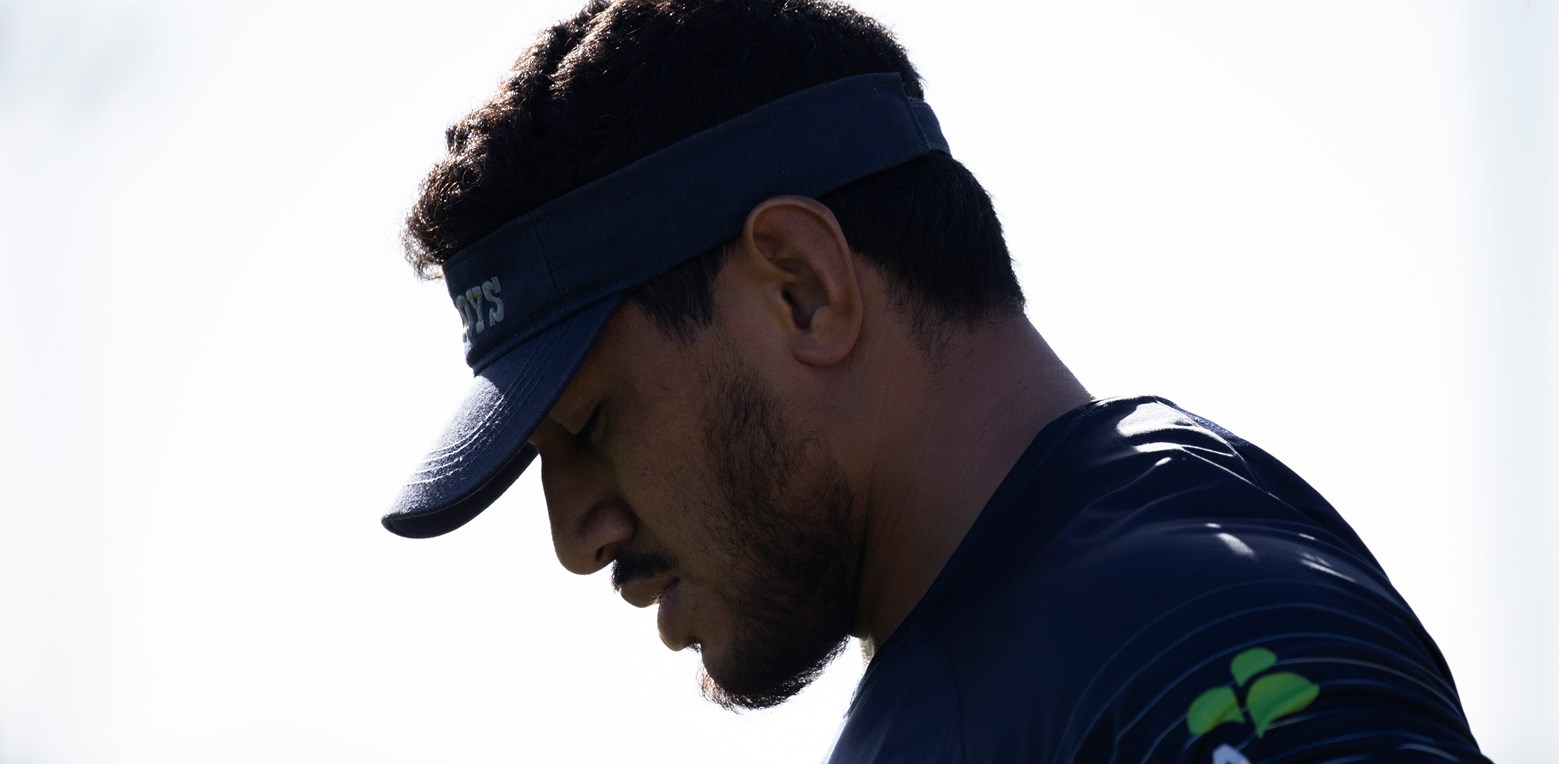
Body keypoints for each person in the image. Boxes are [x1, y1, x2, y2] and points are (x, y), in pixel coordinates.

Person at [383, 1, 1490, 761]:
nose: (576, 537)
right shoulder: (1042, 653)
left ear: (802, 288)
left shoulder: (1188, 632)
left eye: (592, 424)